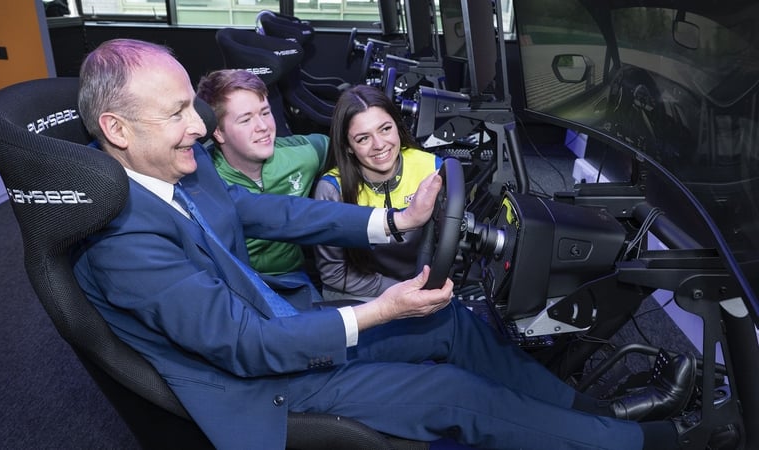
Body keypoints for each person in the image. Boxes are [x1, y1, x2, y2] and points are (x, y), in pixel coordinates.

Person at [72, 38, 703, 450]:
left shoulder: (179, 171)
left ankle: (597, 417)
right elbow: (246, 347)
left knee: (452, 321)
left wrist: (393, 223)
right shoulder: (121, 242)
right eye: (180, 112)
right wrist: (382, 311)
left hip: (287, 318)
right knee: (455, 395)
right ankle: (660, 443)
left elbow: (274, 213)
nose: (199, 126)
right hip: (264, 380)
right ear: (116, 129)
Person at [196, 69, 327, 299]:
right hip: (231, 283)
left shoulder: (302, 155)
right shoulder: (200, 178)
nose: (263, 126)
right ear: (218, 131)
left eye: (265, 112)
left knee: (324, 332)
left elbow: (347, 148)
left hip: (290, 277)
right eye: (246, 119)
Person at [314, 84, 442, 301]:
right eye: (363, 138)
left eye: (385, 129)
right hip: (364, 291)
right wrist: (402, 292)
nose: (379, 144)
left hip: (423, 286)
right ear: (348, 147)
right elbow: (334, 274)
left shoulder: (432, 169)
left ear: (397, 126)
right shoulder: (331, 189)